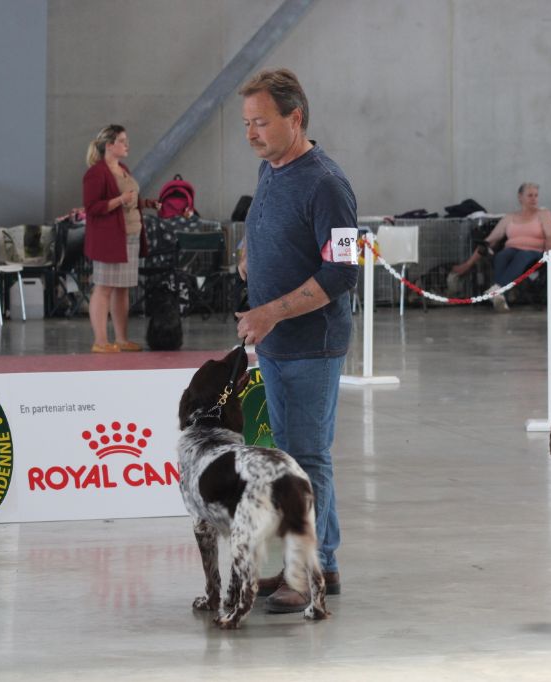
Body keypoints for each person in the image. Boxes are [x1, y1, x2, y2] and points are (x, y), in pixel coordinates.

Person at [234, 68, 359, 613]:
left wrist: (270, 312)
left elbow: (342, 273)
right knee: (292, 457)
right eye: (246, 123)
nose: (252, 134)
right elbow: (267, 225)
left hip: (312, 343)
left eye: (261, 122)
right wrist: (250, 255)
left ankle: (306, 573)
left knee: (307, 458)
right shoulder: (270, 168)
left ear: (296, 118)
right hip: (275, 344)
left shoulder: (327, 184)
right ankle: (320, 562)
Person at [82, 125, 158, 353]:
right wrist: (120, 200)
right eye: (122, 141)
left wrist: (149, 204)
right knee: (104, 287)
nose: (127, 145)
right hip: (109, 240)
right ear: (109, 145)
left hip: (130, 237)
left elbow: (130, 200)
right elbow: (92, 207)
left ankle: (122, 339)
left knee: (123, 288)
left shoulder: (122, 168)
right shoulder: (96, 173)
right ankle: (100, 341)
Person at [448, 183, 551, 311]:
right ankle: (499, 296)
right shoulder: (509, 217)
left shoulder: (544, 214)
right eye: (530, 195)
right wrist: (467, 264)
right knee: (501, 256)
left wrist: (550, 258)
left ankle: (497, 291)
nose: (534, 199)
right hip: (512, 250)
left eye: (536, 196)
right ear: (520, 197)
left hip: (535, 252)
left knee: (522, 255)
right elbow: (490, 240)